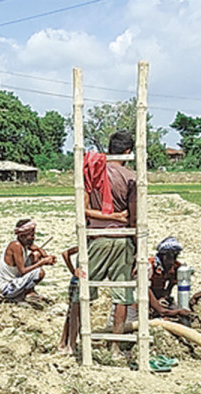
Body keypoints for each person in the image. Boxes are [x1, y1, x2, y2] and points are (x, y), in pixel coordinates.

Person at [71, 130, 138, 354]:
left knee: (82, 292)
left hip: (96, 239)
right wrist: (136, 246)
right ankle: (115, 346)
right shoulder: (131, 177)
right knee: (121, 296)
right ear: (128, 152)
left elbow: (83, 209)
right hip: (121, 239)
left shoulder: (92, 169)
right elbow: (134, 217)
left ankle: (71, 343)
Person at [0, 218, 57, 302]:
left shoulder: (24, 243)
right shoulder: (16, 246)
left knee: (35, 255)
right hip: (7, 287)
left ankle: (30, 291)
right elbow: (22, 271)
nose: (33, 238)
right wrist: (42, 262)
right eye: (31, 235)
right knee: (40, 272)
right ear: (22, 235)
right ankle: (26, 293)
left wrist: (46, 257)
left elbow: (37, 249)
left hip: (16, 282)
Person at [145, 236, 192, 319]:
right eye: (170, 256)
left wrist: (164, 298)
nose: (172, 260)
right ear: (163, 255)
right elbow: (145, 289)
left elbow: (169, 287)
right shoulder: (150, 266)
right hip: (146, 297)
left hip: (161, 296)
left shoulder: (176, 267)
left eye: (175, 256)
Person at [58, 245, 82, 353]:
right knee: (74, 313)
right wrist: (73, 271)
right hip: (77, 281)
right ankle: (67, 342)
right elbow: (65, 254)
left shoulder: (83, 246)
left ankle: (65, 341)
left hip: (76, 280)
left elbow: (65, 254)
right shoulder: (83, 246)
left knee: (73, 313)